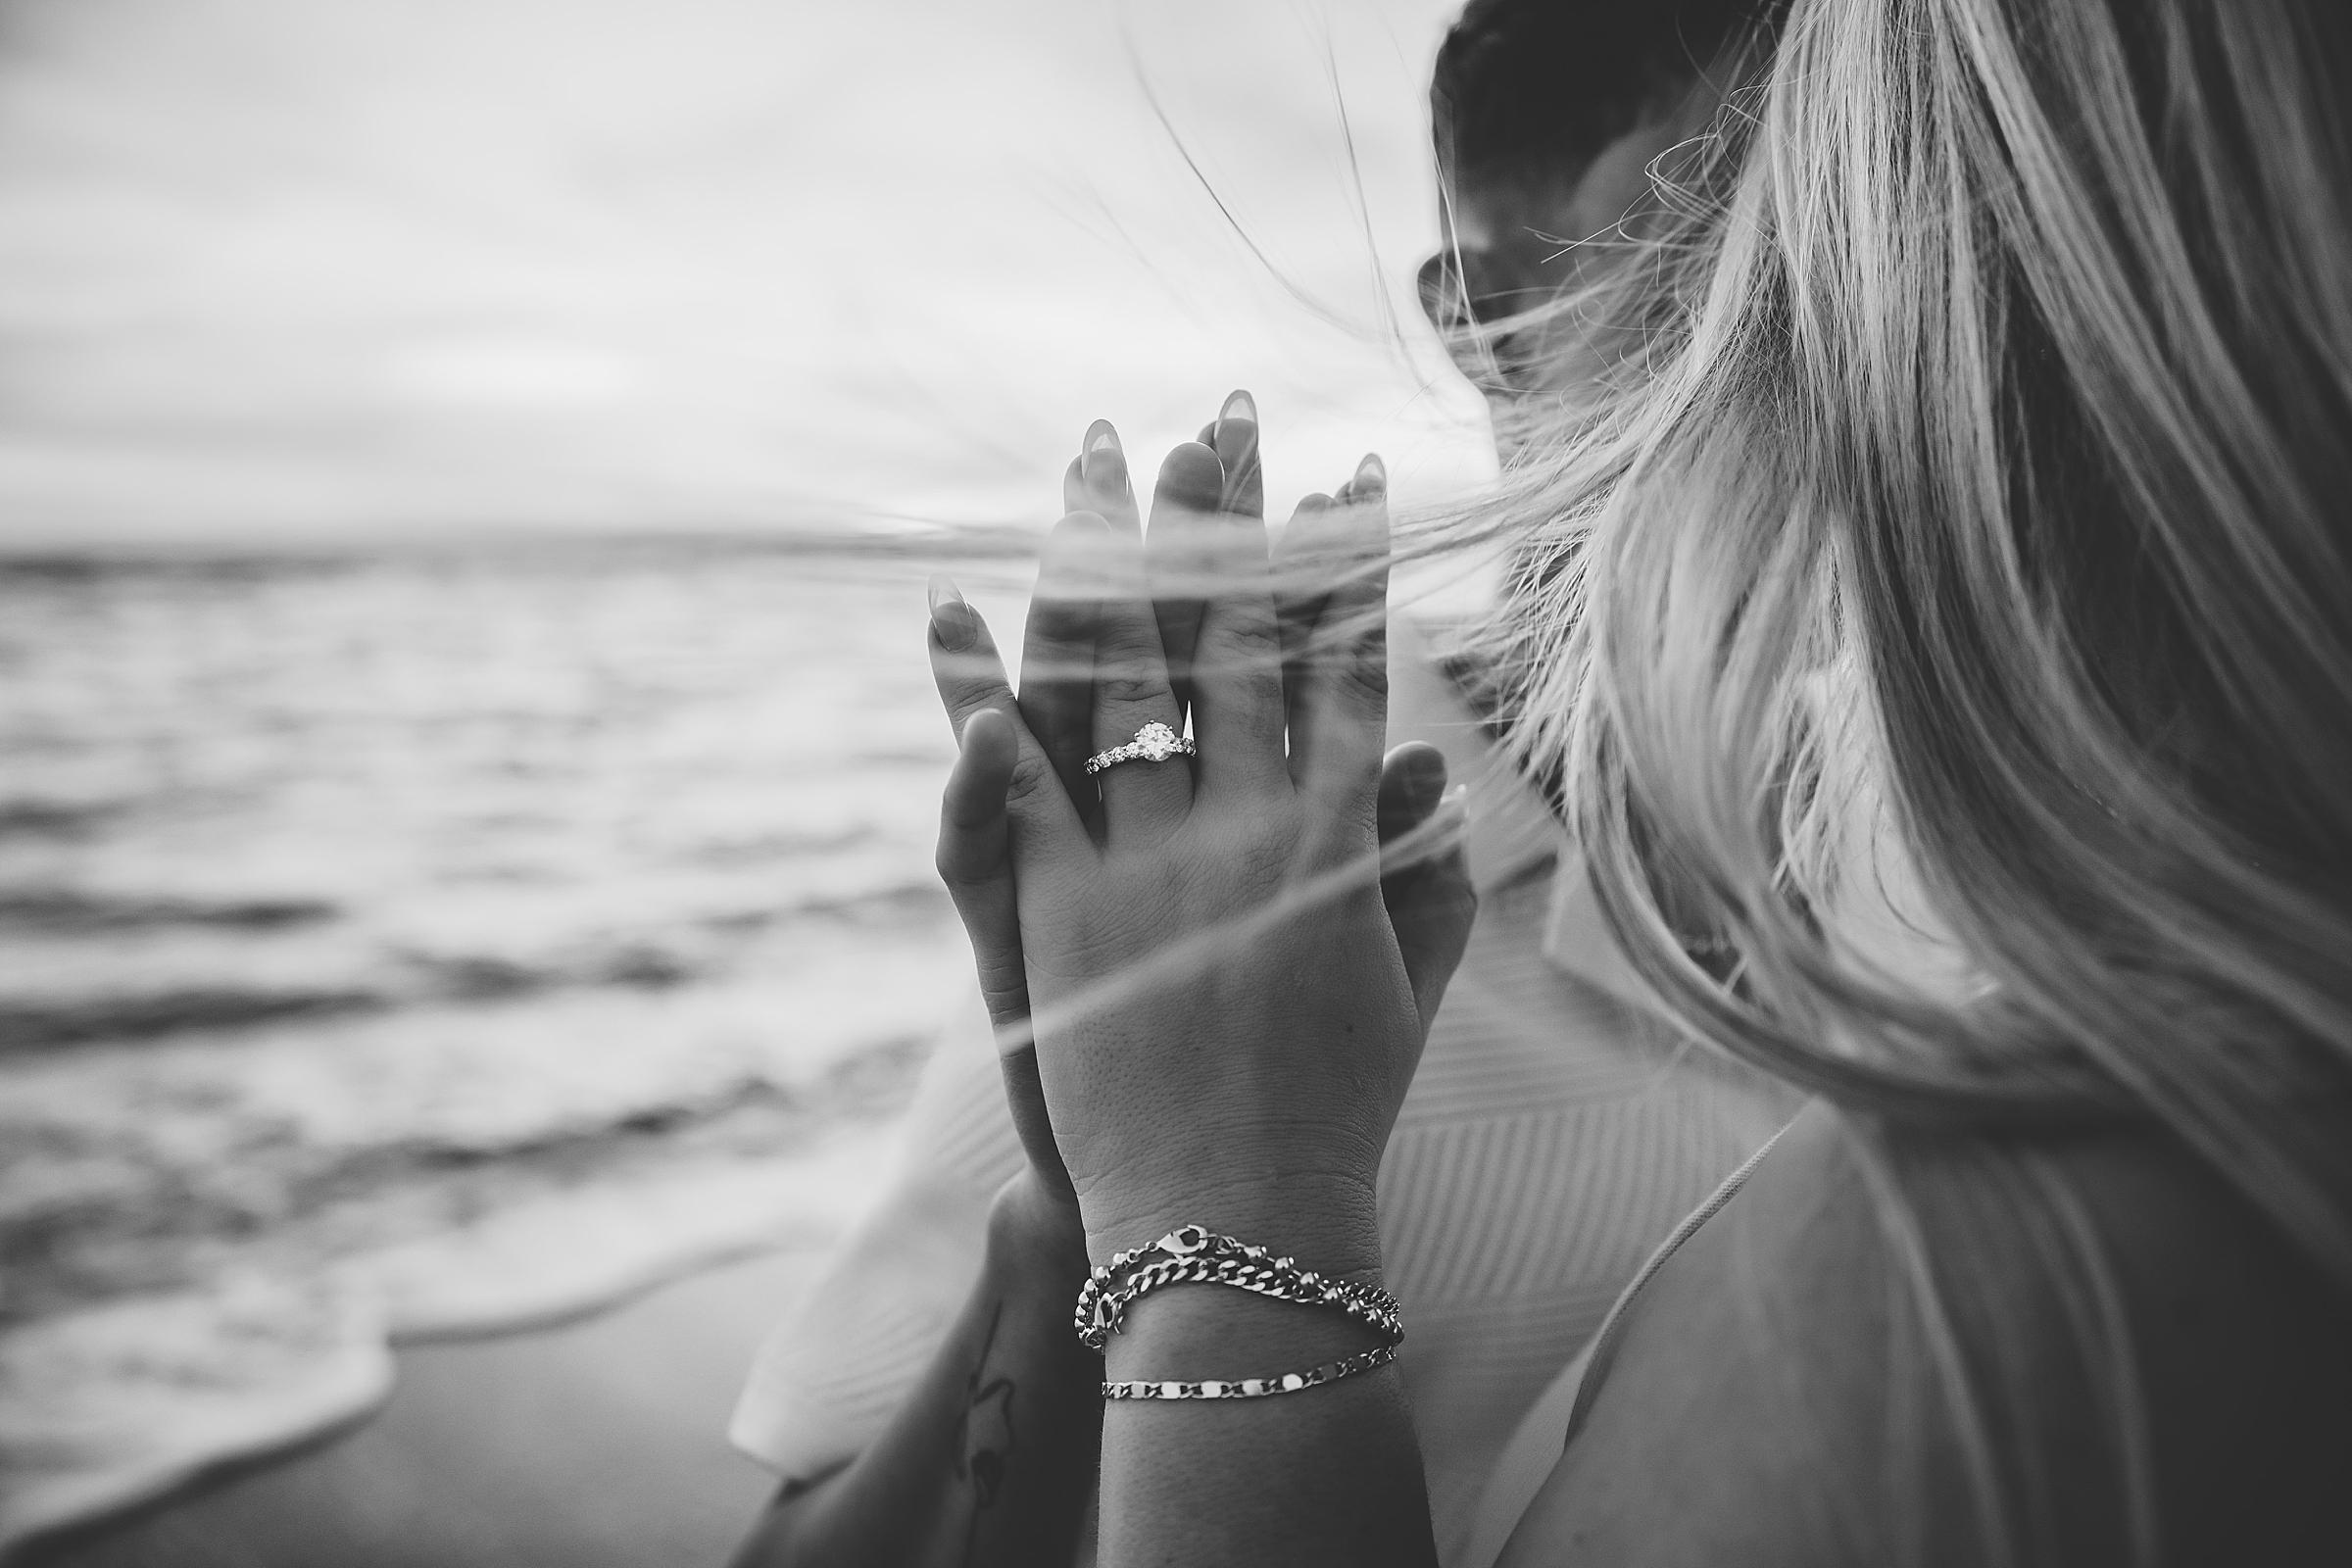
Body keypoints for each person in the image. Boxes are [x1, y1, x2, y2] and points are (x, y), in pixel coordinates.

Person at [741, 0, 2352, 1563]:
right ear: (1478, 317)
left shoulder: (1993, 884)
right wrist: (1067, 1228)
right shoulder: (1237, 891)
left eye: (1862, 230)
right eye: (1703, 254)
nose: (1822, 333)